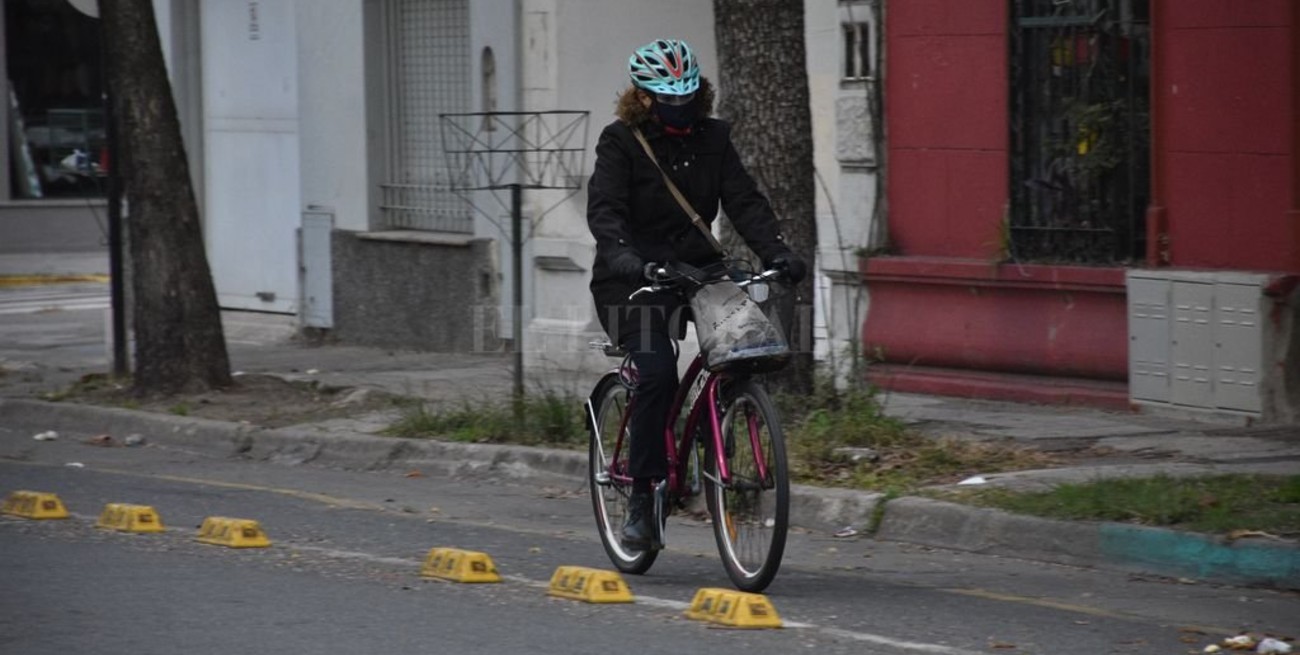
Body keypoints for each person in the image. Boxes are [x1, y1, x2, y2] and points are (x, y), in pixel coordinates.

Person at [586, 38, 807, 551]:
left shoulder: (714, 138)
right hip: (634, 278)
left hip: (700, 270)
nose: (680, 108)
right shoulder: (619, 143)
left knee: (747, 350)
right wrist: (628, 259)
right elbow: (605, 212)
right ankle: (643, 497)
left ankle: (719, 429)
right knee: (658, 372)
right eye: (669, 99)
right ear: (644, 98)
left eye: (688, 97)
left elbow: (745, 202)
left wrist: (777, 252)